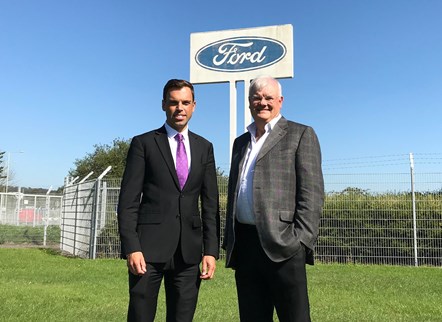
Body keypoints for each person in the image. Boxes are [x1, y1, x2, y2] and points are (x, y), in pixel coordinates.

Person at [223, 75, 324, 322]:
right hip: (245, 246)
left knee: (294, 317)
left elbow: (312, 194)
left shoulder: (300, 134)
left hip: (284, 245)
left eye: (269, 97)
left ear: (280, 101)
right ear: (249, 102)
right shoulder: (240, 142)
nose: (263, 103)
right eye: (257, 97)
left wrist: (301, 241)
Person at [117, 79, 220, 322]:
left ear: (194, 106)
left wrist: (211, 251)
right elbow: (128, 201)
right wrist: (132, 247)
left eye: (185, 102)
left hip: (189, 252)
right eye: (173, 103)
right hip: (147, 251)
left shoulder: (205, 147)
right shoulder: (144, 143)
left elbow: (210, 204)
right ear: (164, 105)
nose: (179, 108)